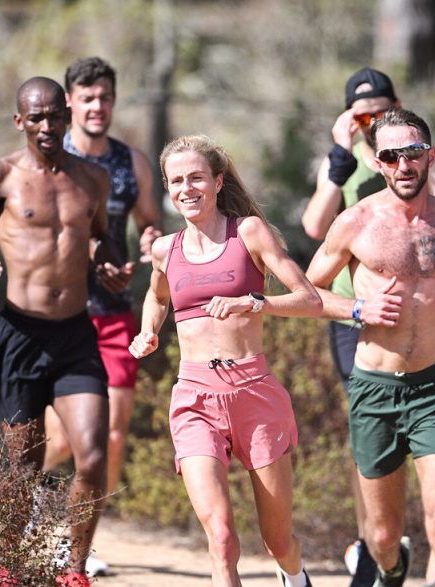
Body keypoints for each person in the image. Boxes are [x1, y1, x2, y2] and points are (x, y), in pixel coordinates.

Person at [0, 76, 124, 587]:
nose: (47, 125)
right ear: (19, 121)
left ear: (67, 116)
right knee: (23, 467)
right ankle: (8, 570)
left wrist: (109, 264)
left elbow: (101, 238)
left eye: (54, 115)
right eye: (36, 117)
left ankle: (74, 572)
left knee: (92, 456)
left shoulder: (93, 178)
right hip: (20, 337)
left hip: (75, 336)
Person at [305, 108, 435, 587]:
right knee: (384, 536)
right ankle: (392, 570)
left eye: (413, 152)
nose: (404, 164)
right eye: (391, 156)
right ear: (378, 163)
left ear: (431, 156)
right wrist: (357, 309)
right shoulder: (355, 222)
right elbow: (306, 292)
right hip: (375, 390)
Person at [128, 135, 323, 587]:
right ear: (167, 188)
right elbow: (158, 297)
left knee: (278, 542)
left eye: (196, 178)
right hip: (194, 398)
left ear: (217, 182)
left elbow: (309, 300)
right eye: (177, 180)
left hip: (254, 393)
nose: (187, 188)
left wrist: (252, 303)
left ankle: (295, 578)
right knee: (220, 539)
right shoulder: (165, 249)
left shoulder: (248, 232)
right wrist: (147, 331)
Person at [41, 56, 163, 577]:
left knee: (111, 435)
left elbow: (151, 220)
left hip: (115, 314)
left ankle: (82, 541)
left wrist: (153, 243)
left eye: (105, 97)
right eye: (88, 98)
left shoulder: (130, 162)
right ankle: (33, 518)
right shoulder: (52, 157)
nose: (97, 106)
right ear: (70, 101)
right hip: (62, 313)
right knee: (61, 440)